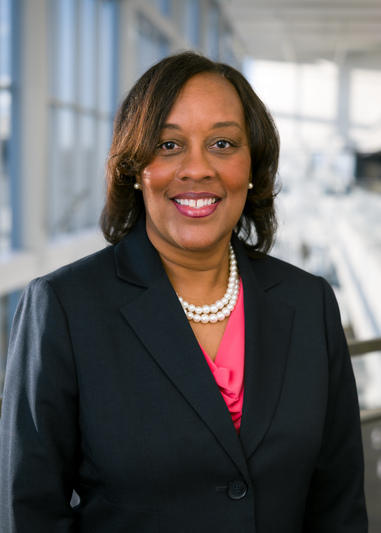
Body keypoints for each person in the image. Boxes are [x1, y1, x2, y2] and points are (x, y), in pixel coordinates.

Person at [0, 51, 367, 532]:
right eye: (169, 144)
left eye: (222, 143)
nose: (197, 168)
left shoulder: (309, 302)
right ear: (135, 168)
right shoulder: (64, 307)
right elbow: (29, 514)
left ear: (252, 165)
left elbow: (338, 507)